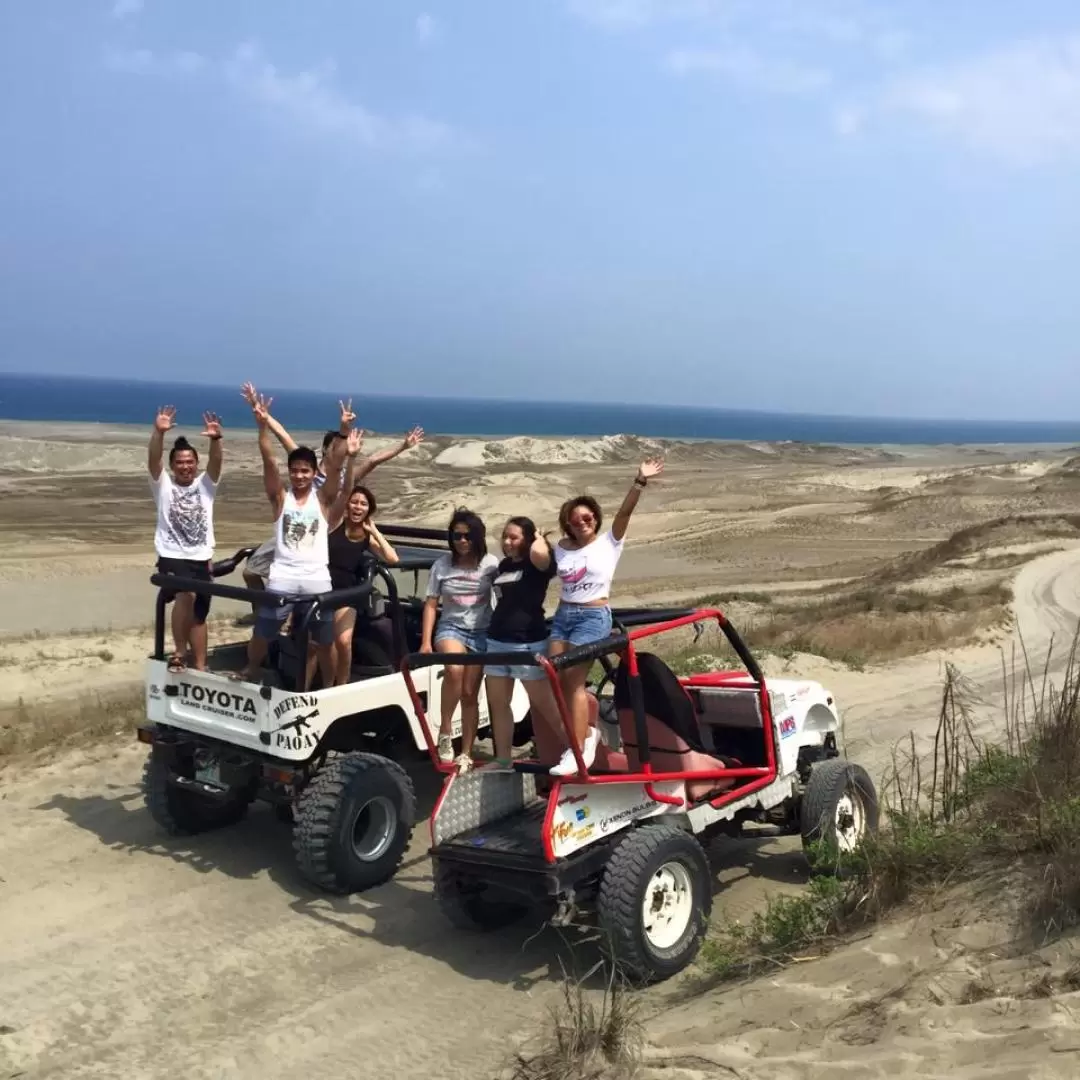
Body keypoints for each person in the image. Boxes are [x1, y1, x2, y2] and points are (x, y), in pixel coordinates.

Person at [239, 381, 423, 596]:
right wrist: (264, 415)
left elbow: (373, 460)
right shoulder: (307, 466)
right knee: (251, 571)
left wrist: (403, 446)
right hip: (298, 530)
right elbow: (283, 436)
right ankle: (265, 607)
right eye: (336, 446)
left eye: (342, 447)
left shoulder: (345, 477)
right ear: (326, 449)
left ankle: (291, 615)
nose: (340, 450)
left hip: (326, 535)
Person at [546, 458, 665, 776]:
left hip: (593, 617)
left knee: (573, 683)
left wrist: (639, 481)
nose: (582, 522)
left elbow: (625, 513)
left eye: (587, 517)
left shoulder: (609, 543)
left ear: (595, 519)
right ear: (567, 524)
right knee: (555, 681)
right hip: (562, 616)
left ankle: (578, 750)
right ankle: (587, 735)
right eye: (575, 520)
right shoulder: (561, 548)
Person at [237, 392, 359, 687]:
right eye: (295, 471)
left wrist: (343, 433)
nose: (300, 476)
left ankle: (328, 687)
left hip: (317, 581)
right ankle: (253, 668)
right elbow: (268, 460)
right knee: (263, 632)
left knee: (324, 641)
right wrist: (262, 426)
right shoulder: (281, 499)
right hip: (283, 578)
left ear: (314, 472)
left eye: (305, 471)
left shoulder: (324, 501)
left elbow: (338, 470)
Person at [420, 508, 499, 771]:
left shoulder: (490, 564)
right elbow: (431, 604)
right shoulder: (442, 565)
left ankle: (465, 752)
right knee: (454, 669)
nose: (462, 541)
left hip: (481, 631)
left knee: (469, 694)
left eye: (467, 536)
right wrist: (426, 641)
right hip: (451, 627)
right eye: (456, 536)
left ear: (477, 537)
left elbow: (504, 594)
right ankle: (444, 731)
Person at [147, 406, 223, 673]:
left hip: (200, 557)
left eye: (189, 461)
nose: (185, 466)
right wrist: (158, 432)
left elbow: (216, 464)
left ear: (196, 463)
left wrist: (215, 440)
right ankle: (179, 652)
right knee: (186, 594)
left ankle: (200, 667)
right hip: (171, 555)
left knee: (199, 616)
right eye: (179, 462)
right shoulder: (163, 485)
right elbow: (153, 460)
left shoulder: (206, 485)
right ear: (172, 466)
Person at [483, 516, 559, 768]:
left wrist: (538, 537)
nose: (507, 542)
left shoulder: (537, 565)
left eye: (514, 537)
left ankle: (578, 752)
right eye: (505, 536)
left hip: (527, 643)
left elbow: (542, 555)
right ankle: (503, 758)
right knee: (498, 704)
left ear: (526, 539)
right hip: (497, 642)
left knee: (546, 705)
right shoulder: (504, 566)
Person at [324, 484, 400, 686]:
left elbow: (392, 558)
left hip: (348, 595)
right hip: (322, 591)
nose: (358, 507)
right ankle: (326, 686)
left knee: (343, 642)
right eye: (355, 502)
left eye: (363, 504)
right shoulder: (334, 523)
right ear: (347, 504)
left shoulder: (367, 538)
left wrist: (374, 530)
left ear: (369, 509)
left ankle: (342, 684)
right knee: (326, 644)